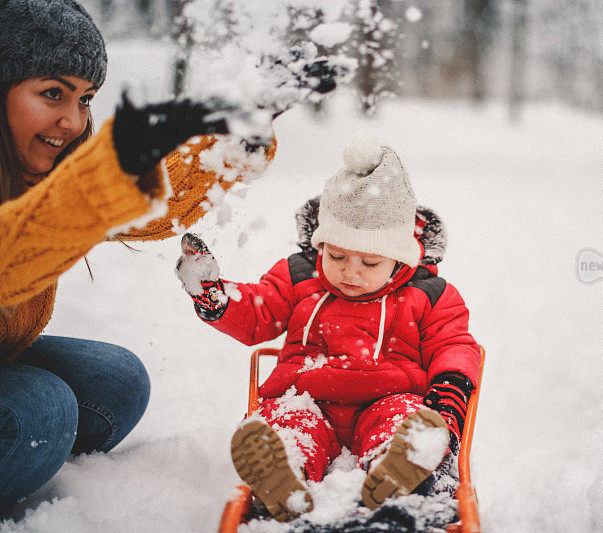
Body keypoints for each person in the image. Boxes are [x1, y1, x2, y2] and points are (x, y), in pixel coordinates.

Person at [0, 0, 281, 511]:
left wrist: (227, 147)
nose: (71, 120)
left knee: (117, 380)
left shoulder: (33, 175)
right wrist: (96, 184)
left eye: (85, 99)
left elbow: (141, 207)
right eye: (52, 93)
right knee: (45, 411)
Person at [175, 136, 481, 521]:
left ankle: (401, 469)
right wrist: (217, 298)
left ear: (399, 256)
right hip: (308, 398)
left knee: (404, 420)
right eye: (336, 255)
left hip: (387, 398)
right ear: (321, 245)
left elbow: (453, 345)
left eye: (370, 263)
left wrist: (446, 398)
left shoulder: (428, 293)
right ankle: (283, 474)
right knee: (286, 421)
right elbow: (257, 313)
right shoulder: (300, 276)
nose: (351, 271)